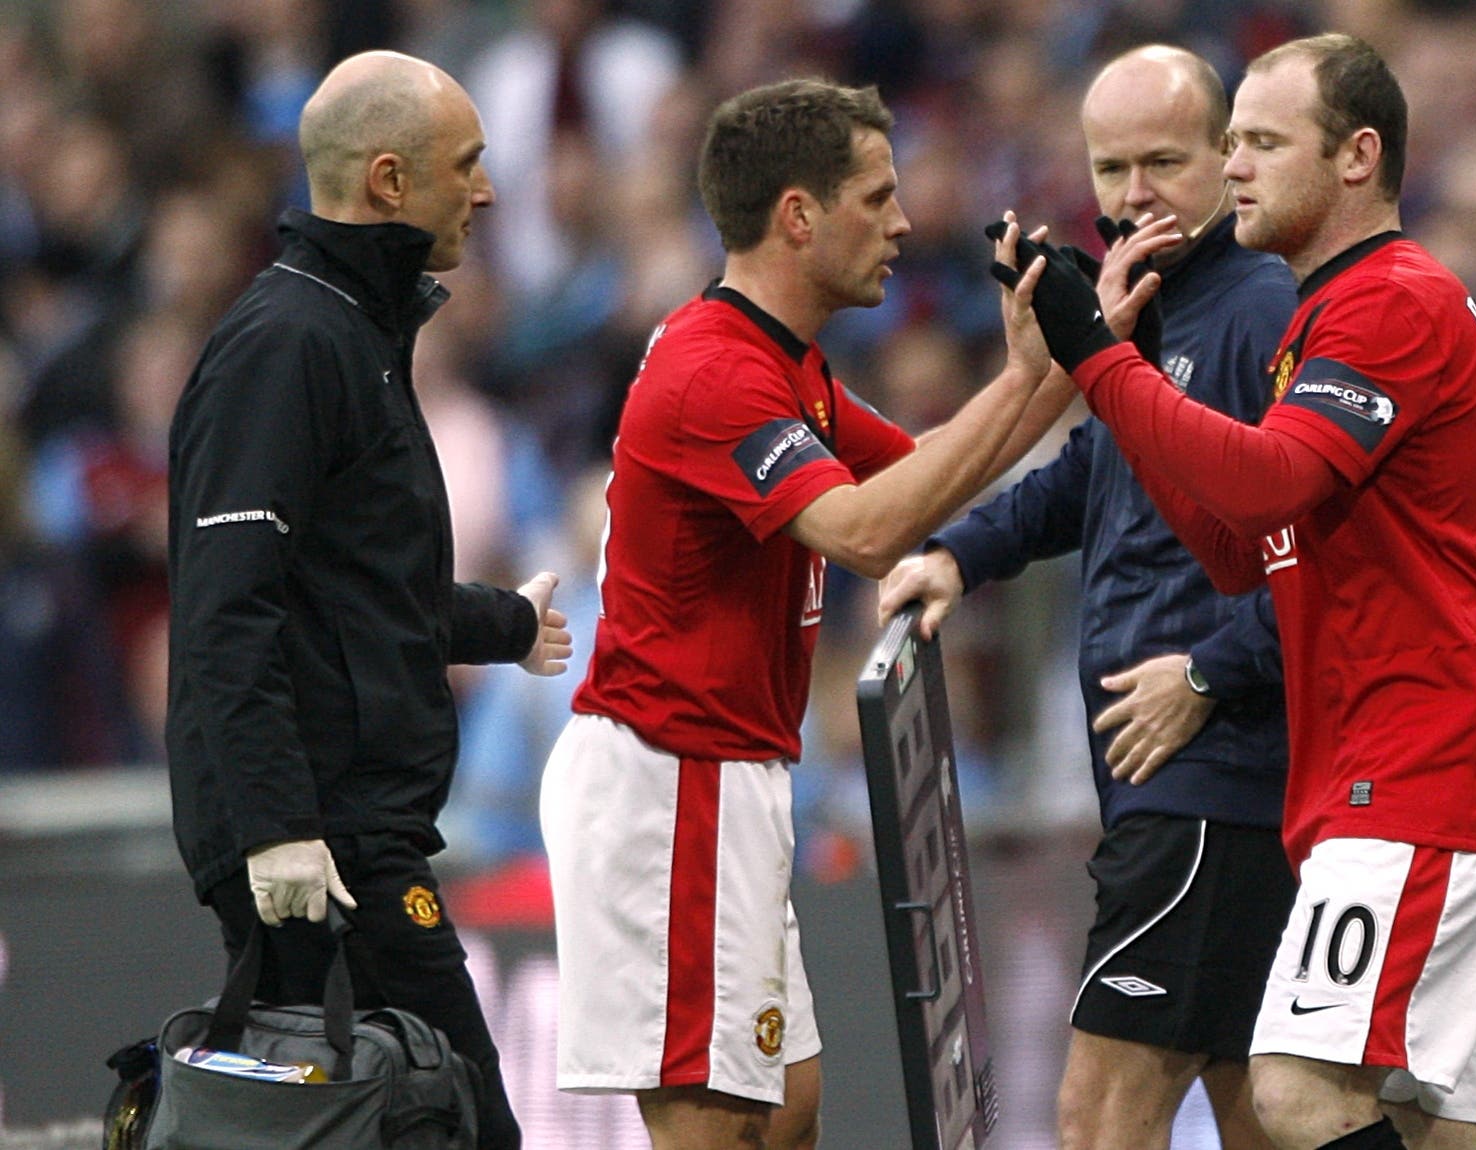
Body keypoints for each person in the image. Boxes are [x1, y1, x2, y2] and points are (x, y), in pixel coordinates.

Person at [995, 33, 1476, 1150]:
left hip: (1428, 765)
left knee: (1296, 1092)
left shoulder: (1390, 299)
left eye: (1260, 140)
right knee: (1423, 1126)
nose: (1236, 166)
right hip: (1394, 768)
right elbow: (1235, 547)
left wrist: (1098, 363)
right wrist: (1119, 369)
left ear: (1357, 156)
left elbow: (1268, 485)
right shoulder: (1324, 311)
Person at [537, 77, 1068, 1150]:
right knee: (716, 1126)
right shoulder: (713, 370)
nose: (904, 223)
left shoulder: (785, 365)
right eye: (877, 197)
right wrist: (1024, 377)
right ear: (798, 215)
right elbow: (872, 532)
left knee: (786, 1116)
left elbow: (926, 476)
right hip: (671, 781)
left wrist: (1072, 357)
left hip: (730, 779)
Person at [879, 45, 1296, 1150]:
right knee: (1260, 1111)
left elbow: (1326, 551)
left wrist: (1213, 672)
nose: (1133, 195)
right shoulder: (1152, 306)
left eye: (1165, 160)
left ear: (1228, 158)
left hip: (1214, 771)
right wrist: (961, 555)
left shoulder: (1265, 309)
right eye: (1112, 168)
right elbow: (1089, 471)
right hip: (1172, 775)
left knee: (1102, 1115)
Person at [165, 51, 573, 1150]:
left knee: (393, 1130)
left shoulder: (349, 333)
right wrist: (278, 828)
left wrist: (504, 624)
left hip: (347, 827)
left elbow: (351, 591)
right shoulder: (287, 343)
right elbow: (224, 606)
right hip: (323, 845)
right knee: (463, 1123)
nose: (487, 192)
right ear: (389, 182)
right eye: (468, 165)